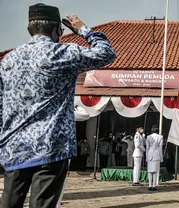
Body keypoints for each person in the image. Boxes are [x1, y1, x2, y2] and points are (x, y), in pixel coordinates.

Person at [0, 3, 115, 207]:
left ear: (30, 29)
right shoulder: (62, 54)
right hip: (50, 146)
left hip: (13, 148)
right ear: (58, 30)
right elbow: (106, 53)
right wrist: (83, 30)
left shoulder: (8, 60)